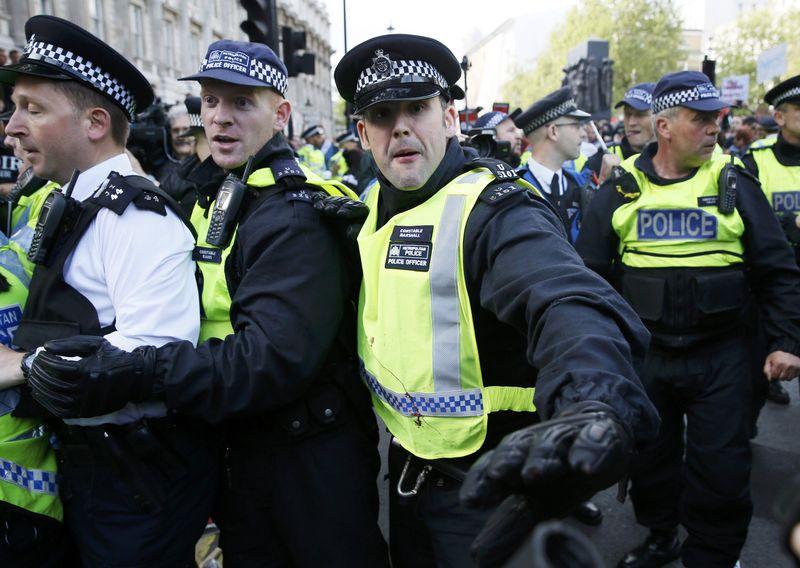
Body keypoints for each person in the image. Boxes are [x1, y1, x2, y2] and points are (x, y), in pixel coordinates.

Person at [27, 38, 389, 567]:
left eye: (242, 103)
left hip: (306, 463)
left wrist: (139, 368)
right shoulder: (223, 191)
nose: (219, 118)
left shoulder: (294, 216)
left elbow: (266, 361)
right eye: (211, 102)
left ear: (280, 114)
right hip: (245, 451)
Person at [334, 33, 659, 567]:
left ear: (451, 119)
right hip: (407, 478)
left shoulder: (494, 210)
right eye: (381, 115)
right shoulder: (372, 209)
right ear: (364, 134)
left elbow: (563, 298)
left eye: (417, 108)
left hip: (489, 492)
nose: (401, 127)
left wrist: (593, 397)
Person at [0, 15, 213, 567]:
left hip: (135, 480)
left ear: (95, 123)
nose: (11, 127)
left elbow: (158, 352)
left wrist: (23, 365)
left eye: (33, 109)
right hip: (95, 468)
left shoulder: (133, 217)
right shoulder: (71, 199)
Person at [576, 71, 800, 568]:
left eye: (716, 119)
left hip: (722, 356)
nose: (713, 130)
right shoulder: (622, 189)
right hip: (647, 357)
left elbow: (777, 269)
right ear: (664, 126)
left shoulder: (735, 183)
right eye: (700, 120)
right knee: (650, 462)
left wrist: (786, 341)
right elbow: (588, 277)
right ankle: (661, 536)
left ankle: (714, 557)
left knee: (721, 469)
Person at [742, 73, 800, 406]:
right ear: (778, 117)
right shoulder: (755, 159)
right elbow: (746, 222)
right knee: (750, 387)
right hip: (769, 288)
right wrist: (791, 224)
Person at [514, 87, 594, 243]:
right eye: (576, 126)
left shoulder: (581, 184)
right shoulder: (516, 189)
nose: (582, 133)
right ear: (553, 132)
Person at [585, 82, 656, 183]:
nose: (631, 122)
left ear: (659, 118)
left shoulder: (673, 161)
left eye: (640, 114)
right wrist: (603, 183)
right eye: (627, 114)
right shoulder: (601, 159)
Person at [160, 95, 210, 214]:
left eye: (186, 130)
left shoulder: (213, 174)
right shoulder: (161, 163)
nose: (181, 136)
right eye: (176, 130)